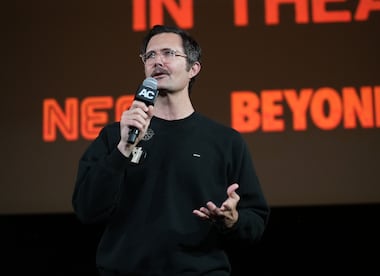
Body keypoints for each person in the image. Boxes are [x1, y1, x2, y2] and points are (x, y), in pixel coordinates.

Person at [72, 24, 270, 276]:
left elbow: (255, 221)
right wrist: (123, 148)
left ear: (193, 68)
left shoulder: (225, 141)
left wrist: (233, 221)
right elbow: (87, 209)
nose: (158, 61)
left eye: (169, 53)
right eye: (150, 56)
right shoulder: (117, 135)